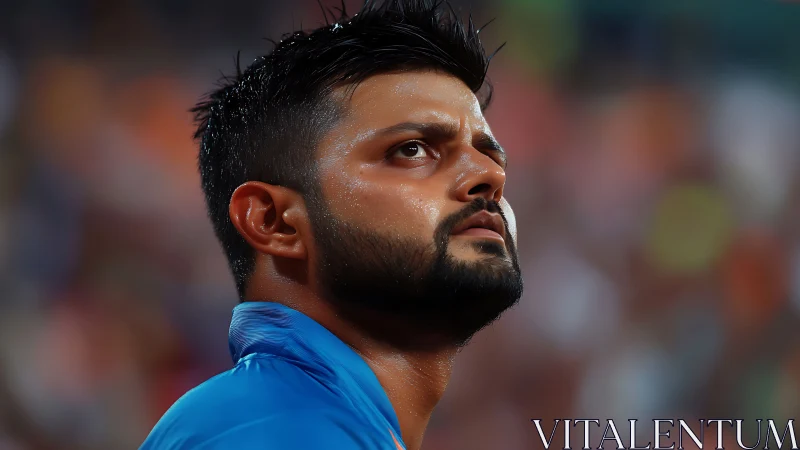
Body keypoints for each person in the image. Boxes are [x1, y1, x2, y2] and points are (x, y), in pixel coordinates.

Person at [141, 0, 523, 448]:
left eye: (488, 152)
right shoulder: (278, 433)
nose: (491, 175)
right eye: (413, 149)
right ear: (274, 221)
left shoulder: (282, 418)